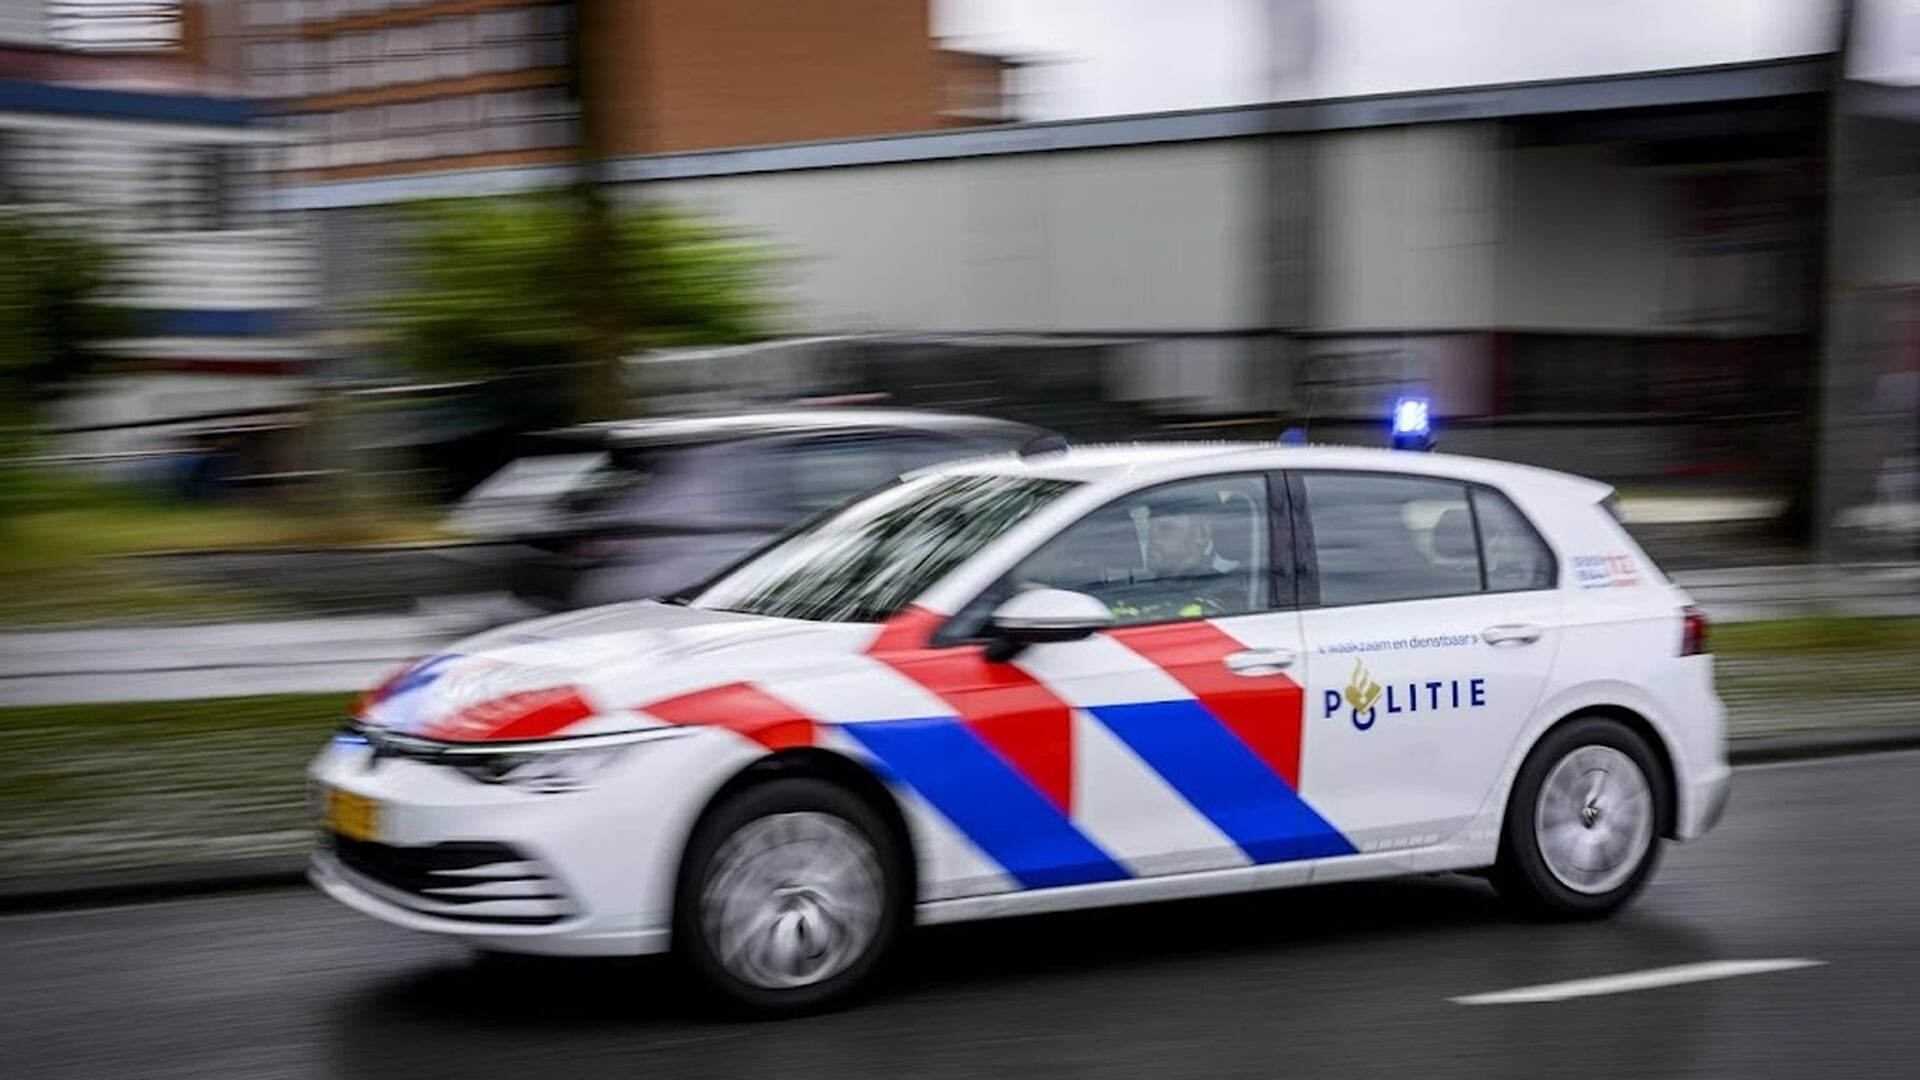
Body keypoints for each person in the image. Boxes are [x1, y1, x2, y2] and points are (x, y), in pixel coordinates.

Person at [1107, 491, 1243, 621]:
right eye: (1150, 527)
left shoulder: (1226, 602)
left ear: (1201, 534)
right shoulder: (1133, 594)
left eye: (1166, 528)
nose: (1152, 538)